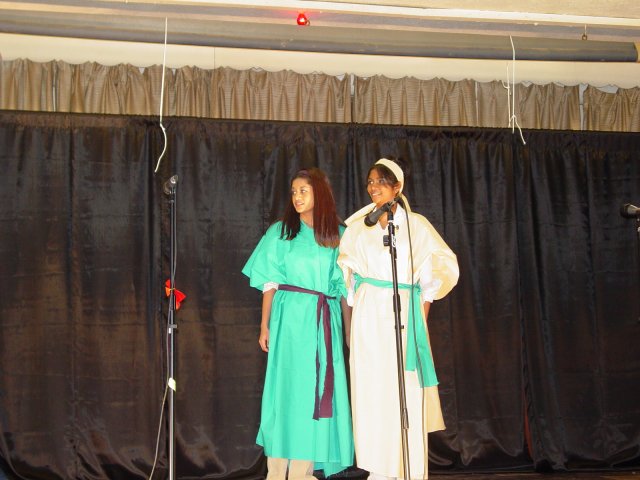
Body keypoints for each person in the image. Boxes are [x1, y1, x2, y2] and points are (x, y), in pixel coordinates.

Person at [338, 158, 459, 480]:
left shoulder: (416, 226)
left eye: (381, 181)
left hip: (406, 315)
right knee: (371, 392)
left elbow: (432, 278)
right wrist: (352, 326)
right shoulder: (357, 228)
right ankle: (376, 470)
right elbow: (346, 280)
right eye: (370, 181)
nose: (373, 187)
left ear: (397, 187)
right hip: (368, 318)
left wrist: (419, 321)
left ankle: (409, 470)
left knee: (405, 392)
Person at [242, 167, 354, 480]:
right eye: (293, 191)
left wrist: (349, 331)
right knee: (285, 393)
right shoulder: (281, 232)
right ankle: (277, 473)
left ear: (320, 192)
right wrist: (264, 325)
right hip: (289, 320)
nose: (297, 197)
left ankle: (302, 473)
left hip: (323, 323)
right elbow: (270, 282)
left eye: (303, 190)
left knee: (313, 395)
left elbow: (345, 290)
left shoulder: (339, 236)